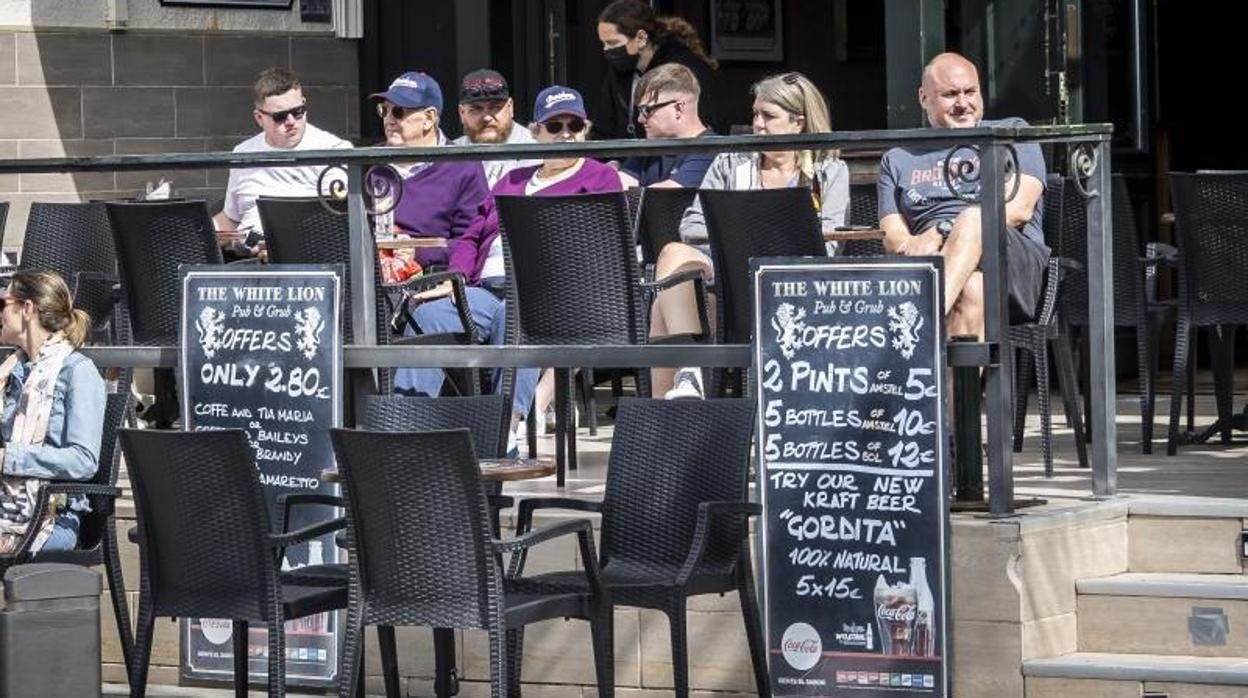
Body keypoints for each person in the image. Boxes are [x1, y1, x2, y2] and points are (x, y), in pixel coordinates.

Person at [404, 86, 621, 443]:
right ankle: (409, 423)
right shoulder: (511, 181)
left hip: (550, 291)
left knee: (515, 318)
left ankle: (506, 426)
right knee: (426, 318)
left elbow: (602, 243)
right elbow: (472, 235)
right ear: (536, 132)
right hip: (486, 288)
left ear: (586, 130)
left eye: (574, 126)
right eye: (555, 127)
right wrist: (454, 279)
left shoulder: (598, 178)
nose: (566, 135)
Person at [651, 72, 849, 399]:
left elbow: (829, 242)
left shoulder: (828, 170)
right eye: (755, 114)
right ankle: (689, 377)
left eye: (768, 116)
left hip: (793, 284)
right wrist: (734, 246)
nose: (757, 124)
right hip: (728, 278)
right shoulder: (730, 162)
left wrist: (758, 241)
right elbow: (692, 225)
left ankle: (670, 423)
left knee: (663, 309)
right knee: (673, 253)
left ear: (798, 123)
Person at [878, 52, 1050, 340]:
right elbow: (893, 238)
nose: (963, 103)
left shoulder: (1012, 133)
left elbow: (1019, 209)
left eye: (970, 92)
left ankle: (920, 319)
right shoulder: (898, 158)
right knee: (972, 291)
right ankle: (953, 387)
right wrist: (921, 245)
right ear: (923, 98)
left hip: (1013, 266)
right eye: (950, 94)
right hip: (939, 266)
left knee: (975, 217)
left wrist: (945, 230)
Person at [0, 271, 106, 554]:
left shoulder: (78, 372)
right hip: (8, 508)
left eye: (3, 304)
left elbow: (83, 461)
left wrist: (9, 458)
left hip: (53, 517)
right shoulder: (16, 372)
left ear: (27, 309)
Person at [214, 67, 353, 254]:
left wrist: (280, 246)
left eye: (298, 112)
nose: (291, 121)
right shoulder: (242, 153)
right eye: (280, 116)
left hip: (309, 260)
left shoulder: (334, 150)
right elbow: (230, 219)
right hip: (247, 260)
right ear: (259, 118)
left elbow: (336, 222)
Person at [593, 0, 719, 139]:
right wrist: (611, 159)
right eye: (603, 43)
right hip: (631, 157)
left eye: (613, 43)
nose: (606, 49)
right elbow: (603, 128)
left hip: (676, 154)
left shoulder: (682, 69)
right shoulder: (618, 72)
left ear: (641, 38)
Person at [618, 63, 717, 188]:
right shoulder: (649, 150)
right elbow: (617, 187)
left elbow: (666, 197)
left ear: (678, 108)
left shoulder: (710, 150)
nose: (640, 119)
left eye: (647, 110)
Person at [452, 69, 541, 187]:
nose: (487, 117)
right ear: (462, 113)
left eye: (495, 107)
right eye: (476, 109)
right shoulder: (450, 153)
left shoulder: (536, 147)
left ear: (510, 108)